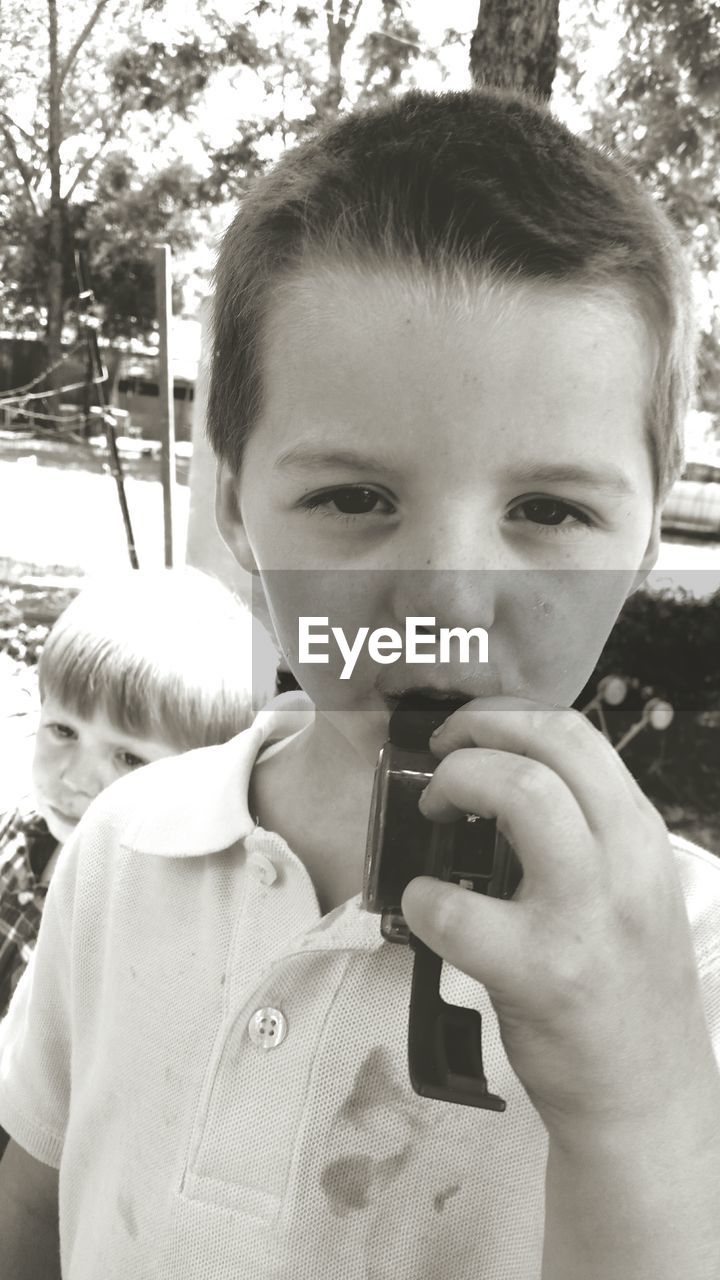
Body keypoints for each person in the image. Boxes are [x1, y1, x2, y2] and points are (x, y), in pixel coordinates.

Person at [1, 87, 719, 1280]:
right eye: (353, 497)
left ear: (644, 539)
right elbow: (32, 1197)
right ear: (236, 503)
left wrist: (633, 1100)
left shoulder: (688, 960)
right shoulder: (127, 850)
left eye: (549, 509)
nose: (442, 604)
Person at [0, 565, 261, 1021]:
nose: (75, 778)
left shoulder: (164, 925)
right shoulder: (16, 835)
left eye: (129, 758)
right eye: (63, 730)